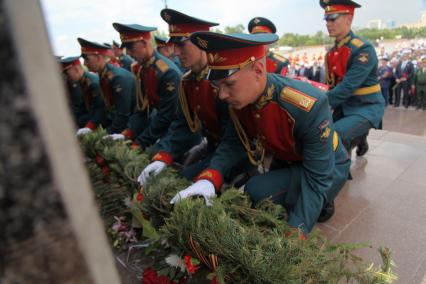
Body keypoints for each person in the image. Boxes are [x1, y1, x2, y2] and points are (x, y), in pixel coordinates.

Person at [168, 31, 351, 236]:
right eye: (217, 86)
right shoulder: (240, 99)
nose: (222, 95)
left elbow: (317, 176)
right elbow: (233, 142)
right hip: (288, 160)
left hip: (327, 166)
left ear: (257, 70)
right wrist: (209, 178)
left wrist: (296, 232)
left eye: (229, 84)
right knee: (257, 193)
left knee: (260, 191)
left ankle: (324, 200)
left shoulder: (307, 104)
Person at [138, 8, 251, 185]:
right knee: (173, 177)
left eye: (181, 45)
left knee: (183, 182)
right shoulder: (189, 81)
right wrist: (164, 155)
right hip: (213, 148)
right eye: (174, 45)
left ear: (202, 43)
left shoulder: (224, 80)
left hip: (238, 154)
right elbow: (184, 124)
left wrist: (210, 175)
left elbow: (235, 139)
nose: (175, 52)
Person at [321, 0, 384, 156]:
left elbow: (347, 87)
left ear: (349, 19)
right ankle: (359, 137)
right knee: (317, 133)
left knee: (335, 137)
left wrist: (318, 102)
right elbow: (331, 85)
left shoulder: (363, 49)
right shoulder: (331, 53)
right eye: (326, 19)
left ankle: (340, 175)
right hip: (344, 106)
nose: (328, 24)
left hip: (366, 107)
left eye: (333, 18)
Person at [111, 23, 182, 149]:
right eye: (126, 48)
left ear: (144, 43)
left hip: (177, 130)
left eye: (131, 47)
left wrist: (140, 142)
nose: (128, 53)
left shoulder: (166, 71)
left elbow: (166, 116)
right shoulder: (143, 69)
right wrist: (128, 132)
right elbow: (142, 109)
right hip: (161, 127)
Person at [77, 38, 137, 134]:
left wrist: (107, 133)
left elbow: (123, 114)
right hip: (122, 122)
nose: (84, 63)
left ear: (99, 57)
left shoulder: (117, 78)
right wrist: (90, 126)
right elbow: (104, 108)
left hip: (134, 125)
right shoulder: (104, 76)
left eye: (87, 59)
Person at [60, 56, 107, 135]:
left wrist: (89, 127)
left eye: (68, 74)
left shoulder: (92, 83)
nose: (68, 77)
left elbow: (101, 110)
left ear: (76, 69)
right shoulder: (82, 81)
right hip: (92, 116)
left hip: (103, 120)